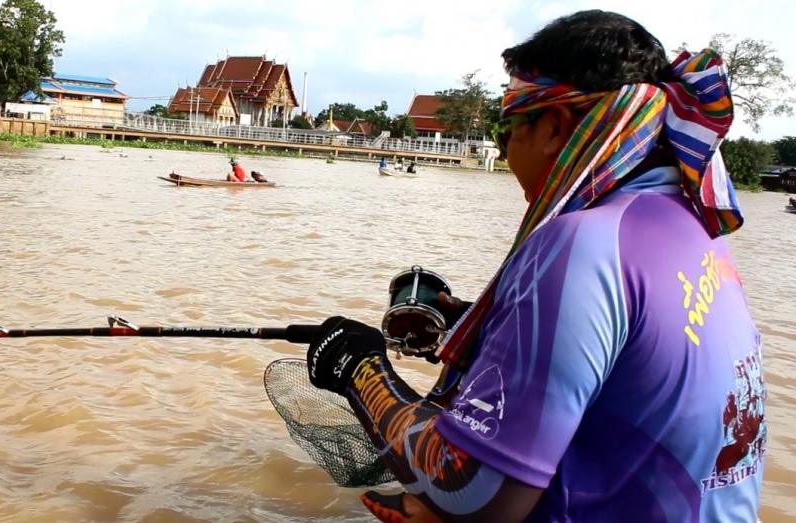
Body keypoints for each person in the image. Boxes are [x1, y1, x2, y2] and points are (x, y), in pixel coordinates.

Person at [304, 10, 762, 522]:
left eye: (508, 129)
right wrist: (478, 331)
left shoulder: (580, 246)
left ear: (555, 127)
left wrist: (360, 371)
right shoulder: (698, 229)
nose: (505, 151)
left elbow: (469, 492)